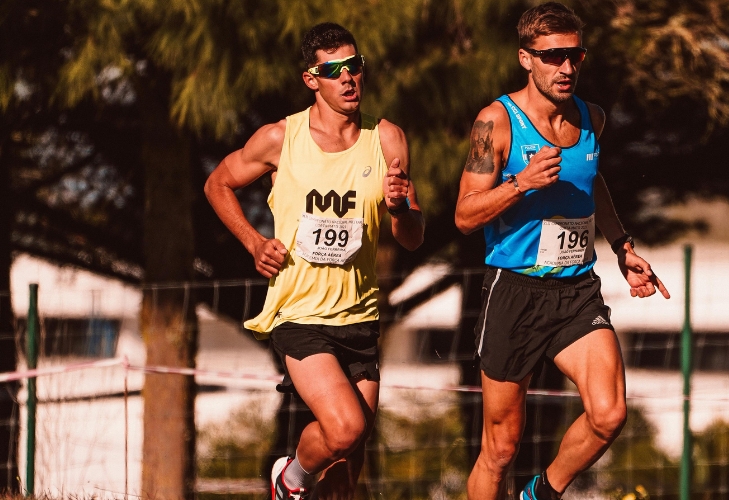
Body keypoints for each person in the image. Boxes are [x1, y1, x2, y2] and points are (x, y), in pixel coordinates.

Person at [454, 3, 670, 499]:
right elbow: (464, 216)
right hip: (515, 292)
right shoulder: (495, 122)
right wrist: (520, 185)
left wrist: (622, 245)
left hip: (576, 291)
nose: (567, 68)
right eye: (553, 57)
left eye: (575, 55)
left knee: (609, 413)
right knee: (501, 447)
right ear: (526, 58)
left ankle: (540, 493)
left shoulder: (591, 117)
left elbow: (592, 186)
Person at [204, 22, 424, 500]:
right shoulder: (280, 137)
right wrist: (253, 242)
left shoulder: (387, 139)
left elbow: (412, 238)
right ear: (311, 79)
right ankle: (290, 478)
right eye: (334, 70)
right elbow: (217, 183)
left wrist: (400, 208)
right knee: (344, 428)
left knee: (347, 476)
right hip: (300, 313)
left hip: (361, 316)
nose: (348, 79)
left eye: (355, 66)